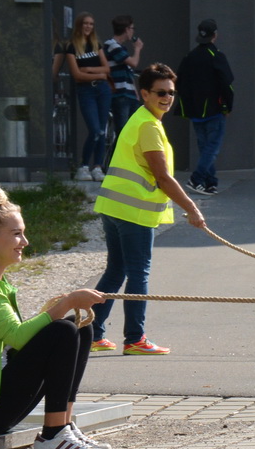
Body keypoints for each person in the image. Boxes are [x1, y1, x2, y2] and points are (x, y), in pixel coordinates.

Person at [0, 181, 111, 449]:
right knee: (62, 331)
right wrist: (66, 303)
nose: (25, 242)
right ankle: (52, 436)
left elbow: (17, 343)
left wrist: (63, 309)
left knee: (79, 328)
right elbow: (17, 337)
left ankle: (63, 425)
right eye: (17, 234)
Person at [91, 64, 208, 354]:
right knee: (138, 273)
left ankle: (91, 333)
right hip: (133, 212)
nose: (167, 98)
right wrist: (192, 207)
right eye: (160, 93)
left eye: (171, 92)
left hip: (115, 206)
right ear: (144, 93)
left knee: (117, 270)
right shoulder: (149, 126)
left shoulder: (142, 119)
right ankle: (135, 339)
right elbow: (163, 177)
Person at [173, 18, 236, 196]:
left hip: (195, 111)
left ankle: (210, 182)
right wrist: (228, 106)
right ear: (215, 35)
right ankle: (197, 178)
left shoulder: (190, 57)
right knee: (212, 148)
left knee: (204, 147)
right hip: (214, 110)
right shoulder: (216, 56)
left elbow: (179, 81)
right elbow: (227, 84)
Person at [64, 12, 111, 181]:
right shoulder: (71, 46)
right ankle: (83, 166)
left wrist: (89, 70)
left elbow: (106, 70)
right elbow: (77, 75)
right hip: (86, 91)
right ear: (79, 25)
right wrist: (97, 75)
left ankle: (97, 167)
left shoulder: (96, 44)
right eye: (85, 23)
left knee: (102, 131)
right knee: (95, 130)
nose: (88, 26)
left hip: (102, 91)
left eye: (91, 24)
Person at [102, 14, 144, 160]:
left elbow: (129, 72)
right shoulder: (112, 45)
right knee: (123, 132)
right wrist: (137, 49)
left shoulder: (120, 47)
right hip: (120, 95)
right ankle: (113, 163)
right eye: (132, 28)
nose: (133, 32)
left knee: (131, 132)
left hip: (129, 94)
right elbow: (133, 63)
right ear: (126, 29)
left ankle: (121, 162)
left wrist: (136, 94)